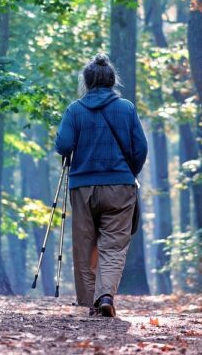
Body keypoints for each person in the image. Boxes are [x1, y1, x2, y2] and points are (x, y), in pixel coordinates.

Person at [54, 53, 148, 317]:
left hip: (82, 187)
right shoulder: (126, 108)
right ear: (111, 81)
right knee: (114, 246)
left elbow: (63, 145)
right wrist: (129, 173)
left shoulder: (75, 110)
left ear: (86, 81)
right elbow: (140, 148)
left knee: (85, 245)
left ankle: (88, 303)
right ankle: (105, 295)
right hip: (120, 186)